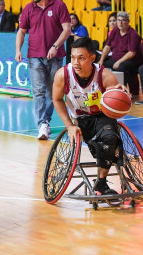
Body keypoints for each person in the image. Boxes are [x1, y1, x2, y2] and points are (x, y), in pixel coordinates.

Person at [53, 37, 129, 194]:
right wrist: (69, 126)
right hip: (80, 119)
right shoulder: (63, 75)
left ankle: (101, 183)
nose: (76, 62)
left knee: (109, 139)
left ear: (92, 58)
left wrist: (120, 91)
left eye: (81, 58)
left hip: (102, 116)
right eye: (73, 57)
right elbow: (57, 99)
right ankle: (102, 158)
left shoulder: (105, 76)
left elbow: (116, 98)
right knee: (98, 146)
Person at [15, 0, 70, 140]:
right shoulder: (28, 8)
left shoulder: (59, 5)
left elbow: (67, 29)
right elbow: (21, 31)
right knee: (38, 91)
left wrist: (55, 46)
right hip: (34, 56)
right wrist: (18, 49)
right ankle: (43, 124)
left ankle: (46, 121)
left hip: (56, 56)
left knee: (53, 92)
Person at [98, 11, 141, 87]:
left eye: (123, 20)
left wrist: (118, 62)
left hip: (130, 61)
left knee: (122, 67)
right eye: (118, 20)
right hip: (115, 60)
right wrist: (101, 60)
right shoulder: (115, 31)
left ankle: (120, 90)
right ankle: (103, 88)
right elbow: (107, 47)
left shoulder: (133, 34)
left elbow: (131, 53)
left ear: (128, 21)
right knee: (98, 63)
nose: (120, 23)